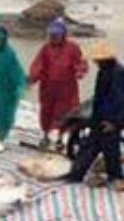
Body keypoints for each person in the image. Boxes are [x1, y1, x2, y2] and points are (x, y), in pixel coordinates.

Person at [65, 40, 124, 190]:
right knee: (95, 146)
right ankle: (78, 173)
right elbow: (100, 97)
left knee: (109, 150)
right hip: (100, 117)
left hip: (110, 119)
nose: (95, 61)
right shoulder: (105, 71)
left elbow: (119, 100)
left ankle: (115, 177)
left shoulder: (117, 74)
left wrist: (113, 123)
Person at [29, 17, 88, 151]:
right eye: (51, 35)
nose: (53, 37)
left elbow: (80, 63)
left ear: (63, 35)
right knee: (46, 113)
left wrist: (79, 71)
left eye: (56, 35)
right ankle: (45, 136)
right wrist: (32, 78)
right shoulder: (46, 48)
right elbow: (38, 65)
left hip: (67, 89)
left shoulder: (73, 48)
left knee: (65, 114)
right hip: (48, 88)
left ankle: (61, 138)